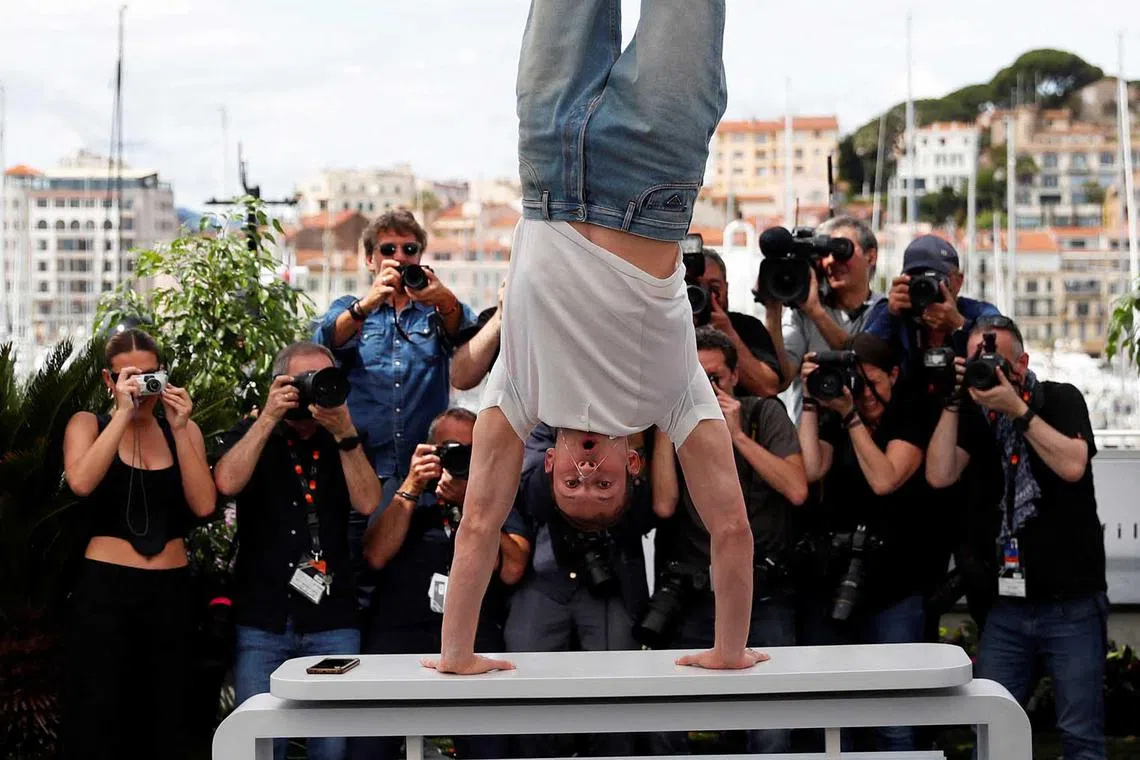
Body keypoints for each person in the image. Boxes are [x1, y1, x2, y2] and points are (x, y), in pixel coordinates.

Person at [427, 0, 761, 678]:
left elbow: (479, 527)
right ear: (632, 466)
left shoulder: (520, 394)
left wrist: (457, 655)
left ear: (545, 465)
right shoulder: (674, 399)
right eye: (604, 485)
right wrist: (729, 652)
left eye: (575, 483)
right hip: (653, 164)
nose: (588, 470)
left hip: (549, 158)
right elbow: (730, 529)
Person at [926, 315, 1108, 760]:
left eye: (997, 362)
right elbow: (939, 473)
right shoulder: (974, 415)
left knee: (1079, 734)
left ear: (1022, 363)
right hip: (1007, 606)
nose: (987, 371)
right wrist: (953, 400)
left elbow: (1072, 465)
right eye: (976, 363)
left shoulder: (1059, 399)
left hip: (1072, 604)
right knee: (990, 728)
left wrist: (1018, 410)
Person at [214, 342, 381, 760]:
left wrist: (344, 433)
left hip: (331, 618)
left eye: (320, 381)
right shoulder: (253, 432)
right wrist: (269, 416)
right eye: (301, 381)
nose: (310, 392)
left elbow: (367, 502)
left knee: (332, 744)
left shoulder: (346, 438)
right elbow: (227, 483)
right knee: (258, 744)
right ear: (278, 383)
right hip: (262, 617)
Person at [313, 209, 477, 619]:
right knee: (361, 574)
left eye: (410, 249)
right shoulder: (351, 307)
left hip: (426, 469)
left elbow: (469, 343)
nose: (400, 257)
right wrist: (369, 303)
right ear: (369, 258)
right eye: (389, 249)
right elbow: (323, 343)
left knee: (420, 572)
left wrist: (443, 299)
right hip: (367, 468)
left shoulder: (434, 313)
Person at [61, 328, 216, 760]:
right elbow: (82, 481)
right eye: (129, 376)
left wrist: (183, 428)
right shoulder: (88, 423)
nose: (143, 386)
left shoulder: (181, 430)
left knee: (170, 715)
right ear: (108, 381)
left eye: (152, 375)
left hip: (170, 592)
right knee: (100, 714)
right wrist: (121, 415)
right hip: (106, 592)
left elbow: (204, 505)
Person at [652, 327, 806, 754]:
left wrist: (737, 435)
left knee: (770, 726)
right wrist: (672, 423)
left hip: (765, 594)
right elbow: (664, 504)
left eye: (714, 379)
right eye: (696, 379)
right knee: (668, 720)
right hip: (696, 593)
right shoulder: (673, 423)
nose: (706, 389)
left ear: (735, 376)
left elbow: (796, 488)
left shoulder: (764, 413)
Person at [352, 408, 529, 760]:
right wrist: (412, 488)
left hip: (473, 637)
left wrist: (472, 505)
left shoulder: (496, 496)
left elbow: (512, 567)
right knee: (368, 744)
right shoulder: (403, 488)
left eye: (471, 450)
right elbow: (374, 555)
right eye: (452, 449)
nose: (462, 459)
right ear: (431, 449)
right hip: (401, 635)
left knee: (489, 745)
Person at [795, 332, 941, 752]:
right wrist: (810, 401)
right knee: (831, 712)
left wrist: (851, 419)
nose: (864, 392)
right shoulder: (836, 410)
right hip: (834, 582)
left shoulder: (909, 414)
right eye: (856, 381)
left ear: (894, 374)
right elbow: (809, 469)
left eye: (872, 381)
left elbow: (885, 478)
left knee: (893, 717)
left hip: (893, 587)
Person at [504, 423, 676, 757]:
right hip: (545, 578)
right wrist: (572, 473)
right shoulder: (549, 418)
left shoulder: (639, 422)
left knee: (615, 706)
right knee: (525, 698)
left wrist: (622, 469)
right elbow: (529, 495)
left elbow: (652, 514)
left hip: (615, 581)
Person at [764, 215, 884, 422]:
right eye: (824, 254)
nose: (831, 261)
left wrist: (815, 312)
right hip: (811, 438)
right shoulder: (801, 315)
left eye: (841, 250)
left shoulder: (884, 310)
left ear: (871, 256)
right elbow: (781, 378)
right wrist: (772, 311)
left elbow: (864, 361)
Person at [863, 234, 1001, 381]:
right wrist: (889, 316)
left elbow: (1001, 353)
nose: (925, 286)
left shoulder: (980, 314)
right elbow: (862, 356)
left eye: (934, 279)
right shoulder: (892, 313)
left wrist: (960, 326)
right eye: (916, 278)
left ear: (958, 281)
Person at [695, 247, 783, 397]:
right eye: (696, 288)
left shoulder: (748, 327)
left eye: (713, 288)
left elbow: (768, 388)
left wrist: (728, 332)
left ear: (726, 288)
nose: (705, 295)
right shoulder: (661, 329)